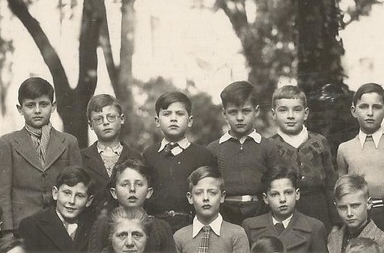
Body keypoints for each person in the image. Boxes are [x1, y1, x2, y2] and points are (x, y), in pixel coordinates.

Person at [0, 76, 82, 233]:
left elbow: (79, 188)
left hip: (61, 226)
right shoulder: (8, 143)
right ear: (20, 109)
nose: (37, 111)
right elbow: (1, 194)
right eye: (30, 105)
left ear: (53, 106)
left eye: (44, 104)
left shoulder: (68, 142)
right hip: (22, 227)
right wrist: (7, 232)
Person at [243, 167, 332, 253]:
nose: (282, 199)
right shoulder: (251, 226)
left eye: (288, 192)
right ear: (266, 198)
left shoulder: (314, 227)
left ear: (297, 194)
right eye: (275, 194)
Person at [85, 158, 182, 253]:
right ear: (114, 193)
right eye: (125, 184)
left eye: (139, 184)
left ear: (149, 192)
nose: (132, 189)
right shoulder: (102, 226)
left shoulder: (162, 228)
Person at [334, 83, 384, 232]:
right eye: (363, 107)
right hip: (357, 215)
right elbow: (342, 191)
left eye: (376, 107)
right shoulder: (345, 148)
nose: (370, 113)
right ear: (354, 111)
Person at [208, 80, 278, 225]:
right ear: (224, 113)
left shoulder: (268, 147)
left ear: (256, 111)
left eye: (246, 111)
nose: (240, 118)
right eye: (233, 112)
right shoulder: (214, 149)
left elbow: (276, 184)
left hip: (261, 213)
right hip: (224, 215)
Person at [143, 90, 214, 233]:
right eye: (167, 114)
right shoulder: (148, 155)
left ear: (190, 121)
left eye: (180, 114)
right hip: (156, 227)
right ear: (157, 121)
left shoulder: (203, 155)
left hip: (191, 227)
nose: (173, 119)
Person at [266, 83, 336, 227]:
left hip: (318, 207)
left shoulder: (319, 141)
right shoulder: (268, 145)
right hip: (284, 210)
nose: (290, 116)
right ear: (274, 114)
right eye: (283, 110)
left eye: (297, 110)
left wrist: (335, 221)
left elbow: (330, 184)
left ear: (305, 113)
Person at [80, 93, 143, 187]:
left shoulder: (136, 157)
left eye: (111, 117)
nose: (105, 122)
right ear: (90, 125)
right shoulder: (81, 158)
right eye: (98, 119)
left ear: (121, 119)